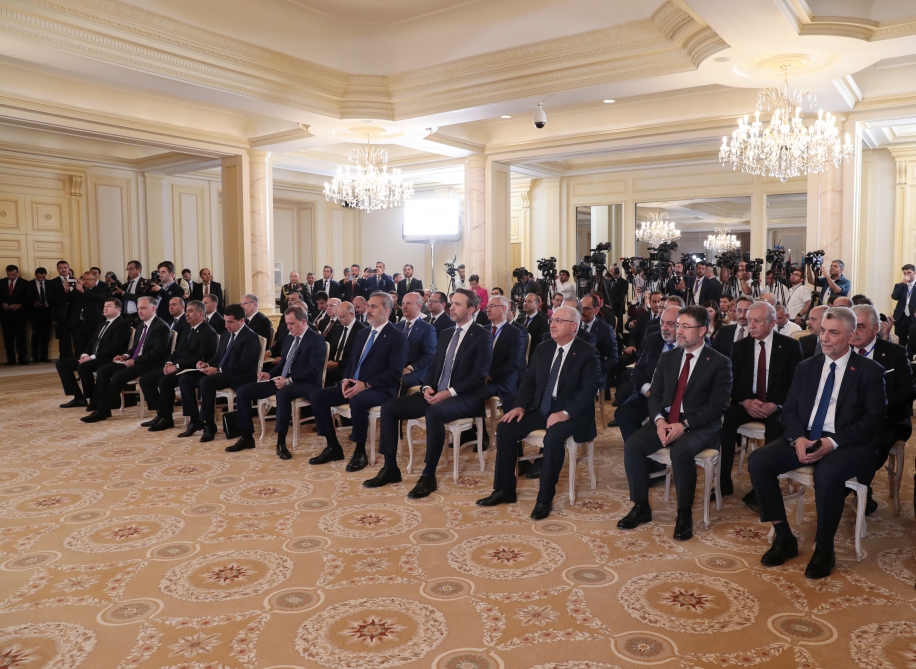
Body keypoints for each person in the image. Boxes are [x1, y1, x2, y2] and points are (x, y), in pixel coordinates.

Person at [748, 307, 886, 579]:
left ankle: (824, 548)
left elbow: (873, 421)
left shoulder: (870, 371)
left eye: (833, 333)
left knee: (828, 473)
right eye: (823, 331)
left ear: (852, 335)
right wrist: (798, 439)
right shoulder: (807, 367)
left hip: (848, 442)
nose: (824, 338)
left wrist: (832, 442)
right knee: (759, 460)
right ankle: (784, 537)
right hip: (807, 435)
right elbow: (789, 411)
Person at [475, 305, 602, 519]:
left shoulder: (588, 353)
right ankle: (504, 490)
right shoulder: (544, 348)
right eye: (552, 320)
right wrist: (519, 406)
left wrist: (565, 413)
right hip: (542, 408)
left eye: (559, 321)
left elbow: (589, 391)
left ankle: (544, 499)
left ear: (573, 326)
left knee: (553, 437)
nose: (552, 324)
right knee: (505, 427)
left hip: (573, 414)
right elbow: (529, 381)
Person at [618, 305, 732, 540]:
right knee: (634, 445)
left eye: (685, 326)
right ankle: (640, 506)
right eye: (678, 325)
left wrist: (685, 425)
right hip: (667, 419)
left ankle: (683, 514)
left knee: (680, 451)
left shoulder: (719, 362)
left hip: (700, 425)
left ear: (702, 330)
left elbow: (717, 406)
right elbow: (655, 395)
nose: (678, 331)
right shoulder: (668, 358)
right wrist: (659, 420)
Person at [363, 289, 491, 496]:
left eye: (457, 304)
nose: (451, 307)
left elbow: (479, 375)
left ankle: (429, 476)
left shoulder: (482, 335)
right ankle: (390, 468)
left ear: (471, 309)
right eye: (452, 303)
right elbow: (433, 366)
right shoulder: (446, 333)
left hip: (465, 397)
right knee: (389, 407)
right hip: (436, 393)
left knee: (434, 412)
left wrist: (448, 393)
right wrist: (427, 387)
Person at [309, 292, 406, 471]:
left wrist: (366, 384)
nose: (368, 310)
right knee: (317, 396)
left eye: (373, 306)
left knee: (358, 400)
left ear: (386, 310)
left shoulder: (396, 336)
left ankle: (360, 451)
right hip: (355, 384)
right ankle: (333, 447)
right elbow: (352, 362)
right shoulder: (362, 334)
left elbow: (395, 372)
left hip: (380, 389)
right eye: (368, 306)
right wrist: (346, 379)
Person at [720, 301, 803, 499]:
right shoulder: (740, 346)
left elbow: (797, 383)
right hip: (748, 403)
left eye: (757, 321)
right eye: (750, 321)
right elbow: (732, 381)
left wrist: (776, 404)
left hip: (777, 405)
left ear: (772, 322)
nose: (751, 325)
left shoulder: (790, 346)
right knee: (726, 419)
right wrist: (745, 401)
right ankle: (723, 482)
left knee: (777, 428)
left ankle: (762, 489)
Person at [228, 305, 327, 459]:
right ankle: (246, 437)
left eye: (292, 324)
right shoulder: (289, 338)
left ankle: (281, 442)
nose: (288, 328)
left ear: (303, 321)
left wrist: (288, 380)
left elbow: (313, 370)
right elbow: (283, 365)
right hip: (284, 380)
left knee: (283, 393)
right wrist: (269, 374)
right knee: (243, 391)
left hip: (305, 383)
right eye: (287, 324)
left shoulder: (316, 340)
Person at [850, 304, 915, 514]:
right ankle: (854, 486)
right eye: (852, 326)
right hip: (848, 418)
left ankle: (856, 486)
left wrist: (876, 406)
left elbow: (908, 391)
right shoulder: (842, 350)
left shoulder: (895, 352)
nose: (854, 332)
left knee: (872, 441)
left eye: (860, 327)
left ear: (876, 329)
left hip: (888, 419)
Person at [176, 303, 262, 442]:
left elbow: (245, 365)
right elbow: (218, 357)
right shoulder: (226, 334)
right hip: (222, 373)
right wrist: (206, 364)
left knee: (206, 382)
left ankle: (209, 425)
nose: (226, 325)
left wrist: (218, 370)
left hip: (239, 376)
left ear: (241, 320)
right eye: (225, 321)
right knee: (185, 379)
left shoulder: (250, 337)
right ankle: (195, 420)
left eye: (230, 322)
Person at [81, 296, 171, 422]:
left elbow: (157, 353)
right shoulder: (141, 325)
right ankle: (104, 407)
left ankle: (101, 411)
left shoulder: (161, 326)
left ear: (153, 309)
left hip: (152, 363)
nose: (139, 311)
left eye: (143, 308)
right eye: (138, 308)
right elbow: (136, 347)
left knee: (119, 376)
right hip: (137, 360)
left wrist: (135, 361)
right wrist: (125, 356)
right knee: (103, 370)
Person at [138, 300, 219, 432]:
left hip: (191, 368)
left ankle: (167, 418)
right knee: (145, 379)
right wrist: (169, 362)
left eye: (190, 311)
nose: (186, 314)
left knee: (165, 381)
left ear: (201, 313)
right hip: (176, 365)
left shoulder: (208, 332)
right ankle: (161, 413)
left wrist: (176, 366)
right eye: (186, 311)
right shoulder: (186, 329)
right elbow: (176, 351)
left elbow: (201, 357)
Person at [612, 306, 679, 439]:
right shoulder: (653, 338)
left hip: (675, 399)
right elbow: (638, 370)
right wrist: (648, 390)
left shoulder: (687, 344)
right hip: (650, 394)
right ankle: (637, 446)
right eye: (662, 323)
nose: (664, 328)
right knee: (623, 413)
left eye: (670, 324)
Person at [56, 297, 131, 407]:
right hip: (96, 357)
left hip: (110, 358)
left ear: (118, 310)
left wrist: (92, 357)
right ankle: (78, 398)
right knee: (62, 364)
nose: (105, 308)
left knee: (83, 367)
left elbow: (114, 348)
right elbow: (92, 343)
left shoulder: (122, 325)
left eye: (109, 306)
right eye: (104, 306)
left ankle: (93, 399)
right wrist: (85, 354)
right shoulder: (103, 324)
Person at [483, 295, 527, 412]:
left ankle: (474, 423)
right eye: (487, 307)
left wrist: (489, 376)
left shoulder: (515, 333)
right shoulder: (484, 330)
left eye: (492, 306)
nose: (488, 310)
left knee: (475, 393)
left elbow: (513, 364)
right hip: (481, 378)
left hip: (501, 382)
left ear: (503, 309)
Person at [395, 292, 437, 391]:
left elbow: (430, 355)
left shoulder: (427, 328)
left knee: (397, 380)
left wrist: (410, 368)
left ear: (418, 306)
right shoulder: (396, 326)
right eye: (403, 303)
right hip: (396, 368)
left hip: (416, 371)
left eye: (408, 303)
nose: (404, 307)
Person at [325, 301, 366, 387]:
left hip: (347, 366)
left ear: (351, 314)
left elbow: (357, 357)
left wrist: (337, 364)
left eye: (341, 316)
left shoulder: (362, 331)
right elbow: (331, 345)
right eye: (337, 316)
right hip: (332, 362)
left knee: (327, 375)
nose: (339, 319)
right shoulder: (338, 326)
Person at [67, 271, 109, 355]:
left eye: (89, 279)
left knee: (92, 344)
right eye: (84, 279)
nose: (86, 281)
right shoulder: (77, 289)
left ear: (95, 280)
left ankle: (91, 361)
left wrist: (83, 291)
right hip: (78, 323)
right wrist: (66, 289)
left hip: (93, 323)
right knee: (78, 345)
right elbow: (67, 298)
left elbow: (99, 297)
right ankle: (78, 360)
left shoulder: (100, 290)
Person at [0, 265, 28, 365]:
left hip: (19, 315)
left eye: (13, 275)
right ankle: (10, 359)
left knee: (21, 337)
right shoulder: (1, 282)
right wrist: (2, 304)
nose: (11, 277)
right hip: (5, 315)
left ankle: (22, 359)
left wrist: (19, 305)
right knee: (8, 338)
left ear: (17, 272)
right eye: (9, 275)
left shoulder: (25, 283)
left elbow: (29, 299)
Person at [48, 260, 75, 359]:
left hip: (74, 313)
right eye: (61, 268)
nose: (63, 270)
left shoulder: (75, 280)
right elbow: (50, 298)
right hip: (60, 314)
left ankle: (77, 357)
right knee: (63, 337)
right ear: (57, 269)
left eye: (65, 268)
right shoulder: (52, 282)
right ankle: (65, 358)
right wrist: (64, 302)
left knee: (77, 336)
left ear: (68, 268)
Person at [711, 295, 753, 359]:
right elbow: (712, 354)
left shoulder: (757, 334)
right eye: (739, 310)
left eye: (746, 311)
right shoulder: (723, 331)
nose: (742, 315)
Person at [26, 267, 52, 362]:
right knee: (36, 335)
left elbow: (53, 297)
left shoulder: (50, 284)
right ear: (35, 275)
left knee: (46, 335)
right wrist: (34, 303)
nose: (41, 279)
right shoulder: (29, 284)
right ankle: (35, 356)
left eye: (43, 277)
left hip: (47, 312)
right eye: (39, 277)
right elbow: (26, 298)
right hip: (35, 313)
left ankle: (44, 356)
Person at [111, 260, 148, 324]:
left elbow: (140, 298)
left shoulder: (144, 283)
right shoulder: (125, 285)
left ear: (138, 270)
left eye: (131, 269)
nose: (129, 271)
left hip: (138, 316)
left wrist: (123, 293)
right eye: (127, 269)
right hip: (125, 316)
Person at [518, 294, 549, 362]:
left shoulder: (543, 321)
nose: (525, 304)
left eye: (529, 301)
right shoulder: (519, 319)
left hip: (532, 356)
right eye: (525, 301)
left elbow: (542, 342)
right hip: (518, 355)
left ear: (537, 305)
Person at [891, 264, 916, 347]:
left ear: (914, 273)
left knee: (913, 342)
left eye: (909, 273)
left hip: (913, 317)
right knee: (900, 342)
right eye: (904, 273)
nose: (906, 275)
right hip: (901, 318)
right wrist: (903, 283)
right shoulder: (900, 286)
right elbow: (894, 296)